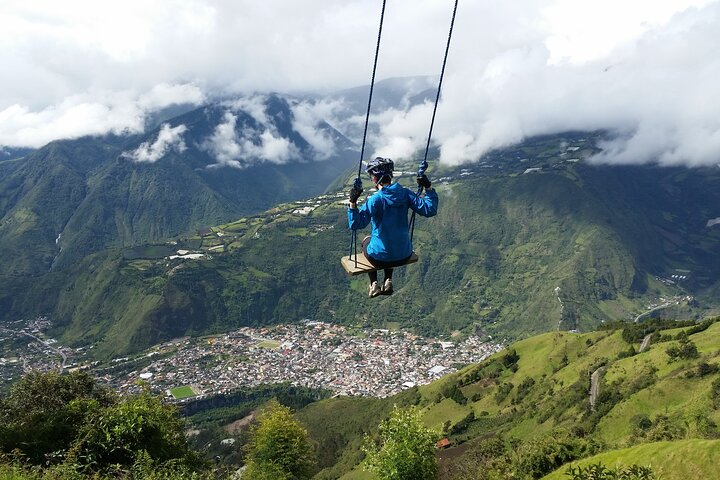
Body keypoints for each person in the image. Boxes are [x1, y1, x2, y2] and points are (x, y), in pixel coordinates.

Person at [348, 157, 438, 297]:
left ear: (374, 178)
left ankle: (374, 284)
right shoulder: (406, 194)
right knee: (391, 244)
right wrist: (428, 187)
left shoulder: (375, 200)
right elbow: (430, 209)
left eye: (371, 176)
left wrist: (352, 202)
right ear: (390, 176)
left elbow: (355, 224)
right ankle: (388, 279)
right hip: (404, 254)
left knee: (367, 240)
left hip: (378, 257)